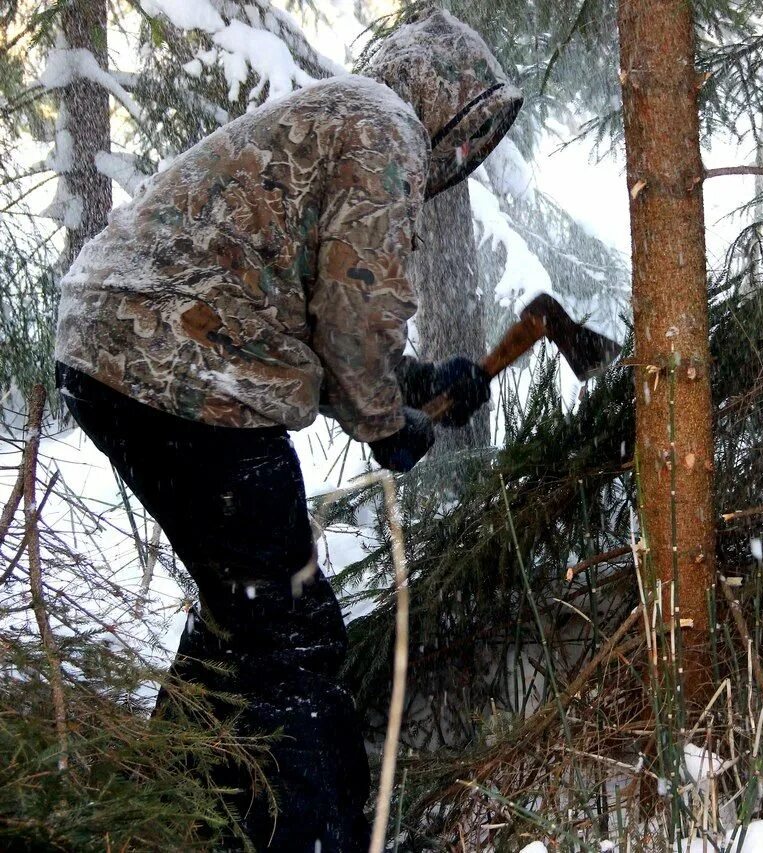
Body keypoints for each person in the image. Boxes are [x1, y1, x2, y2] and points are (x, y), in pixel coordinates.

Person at [53, 11, 521, 851]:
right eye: (467, 129)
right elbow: (354, 314)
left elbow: (303, 294)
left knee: (246, 606)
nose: (458, 153)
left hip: (115, 349)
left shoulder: (342, 114)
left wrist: (412, 383)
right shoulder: (384, 127)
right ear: (446, 96)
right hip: (183, 373)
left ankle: (170, 810)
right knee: (292, 630)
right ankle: (318, 837)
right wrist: (388, 424)